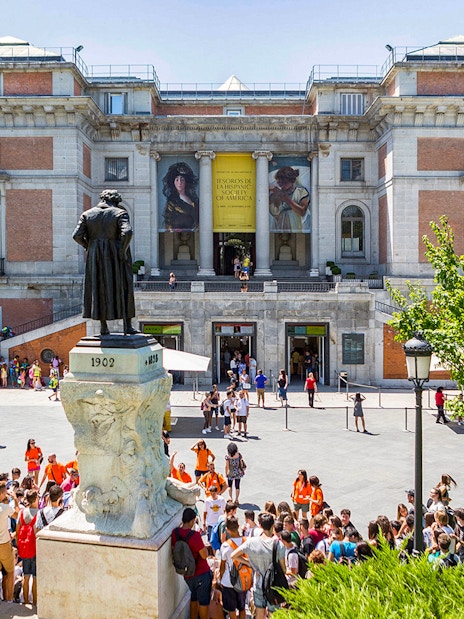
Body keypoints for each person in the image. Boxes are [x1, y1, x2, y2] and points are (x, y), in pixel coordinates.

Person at [72, 189, 137, 336]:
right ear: (115, 201)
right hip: (116, 254)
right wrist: (122, 250)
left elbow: (76, 235)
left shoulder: (87, 214)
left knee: (98, 287)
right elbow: (127, 232)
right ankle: (127, 326)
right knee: (124, 286)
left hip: (95, 255)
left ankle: (103, 327)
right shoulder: (119, 213)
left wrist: (88, 246)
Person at [231, 512, 286, 619]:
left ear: (260, 526)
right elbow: (283, 569)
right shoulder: (279, 545)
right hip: (273, 585)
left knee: (259, 614)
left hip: (258, 584)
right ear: (272, 526)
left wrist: (249, 563)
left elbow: (234, 555)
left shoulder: (251, 542)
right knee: (273, 614)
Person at [171, 507, 211, 619]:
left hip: (187, 573)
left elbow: (173, 550)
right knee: (204, 602)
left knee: (193, 597)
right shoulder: (195, 536)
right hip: (201, 573)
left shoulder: (175, 533)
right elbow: (204, 555)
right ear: (193, 520)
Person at [219, 516, 248, 619]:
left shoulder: (225, 546)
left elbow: (222, 566)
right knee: (242, 608)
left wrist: (221, 579)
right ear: (238, 526)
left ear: (227, 529)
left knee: (231, 610)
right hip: (243, 580)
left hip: (228, 581)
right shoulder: (247, 542)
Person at [269, 166, 310, 232]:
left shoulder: (301, 192)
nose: (281, 186)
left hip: (294, 226)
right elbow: (274, 212)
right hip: (279, 227)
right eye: (279, 183)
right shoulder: (277, 193)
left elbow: (302, 212)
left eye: (284, 183)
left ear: (292, 181)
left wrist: (287, 199)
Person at [16, 489, 38, 606]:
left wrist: (20, 546)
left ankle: (25, 601)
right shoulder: (39, 513)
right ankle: (35, 601)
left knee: (26, 575)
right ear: (35, 500)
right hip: (34, 548)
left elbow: (18, 530)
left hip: (24, 548)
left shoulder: (22, 512)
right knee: (35, 577)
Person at [162, 162, 199, 232]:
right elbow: (168, 224)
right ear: (173, 182)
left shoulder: (194, 200)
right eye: (177, 180)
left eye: (182, 179)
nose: (180, 183)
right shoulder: (171, 203)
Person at [0, 482, 19, 602]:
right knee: (10, 571)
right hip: (4, 544)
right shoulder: (5, 508)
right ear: (2, 493)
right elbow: (17, 514)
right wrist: (15, 499)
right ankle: (9, 600)